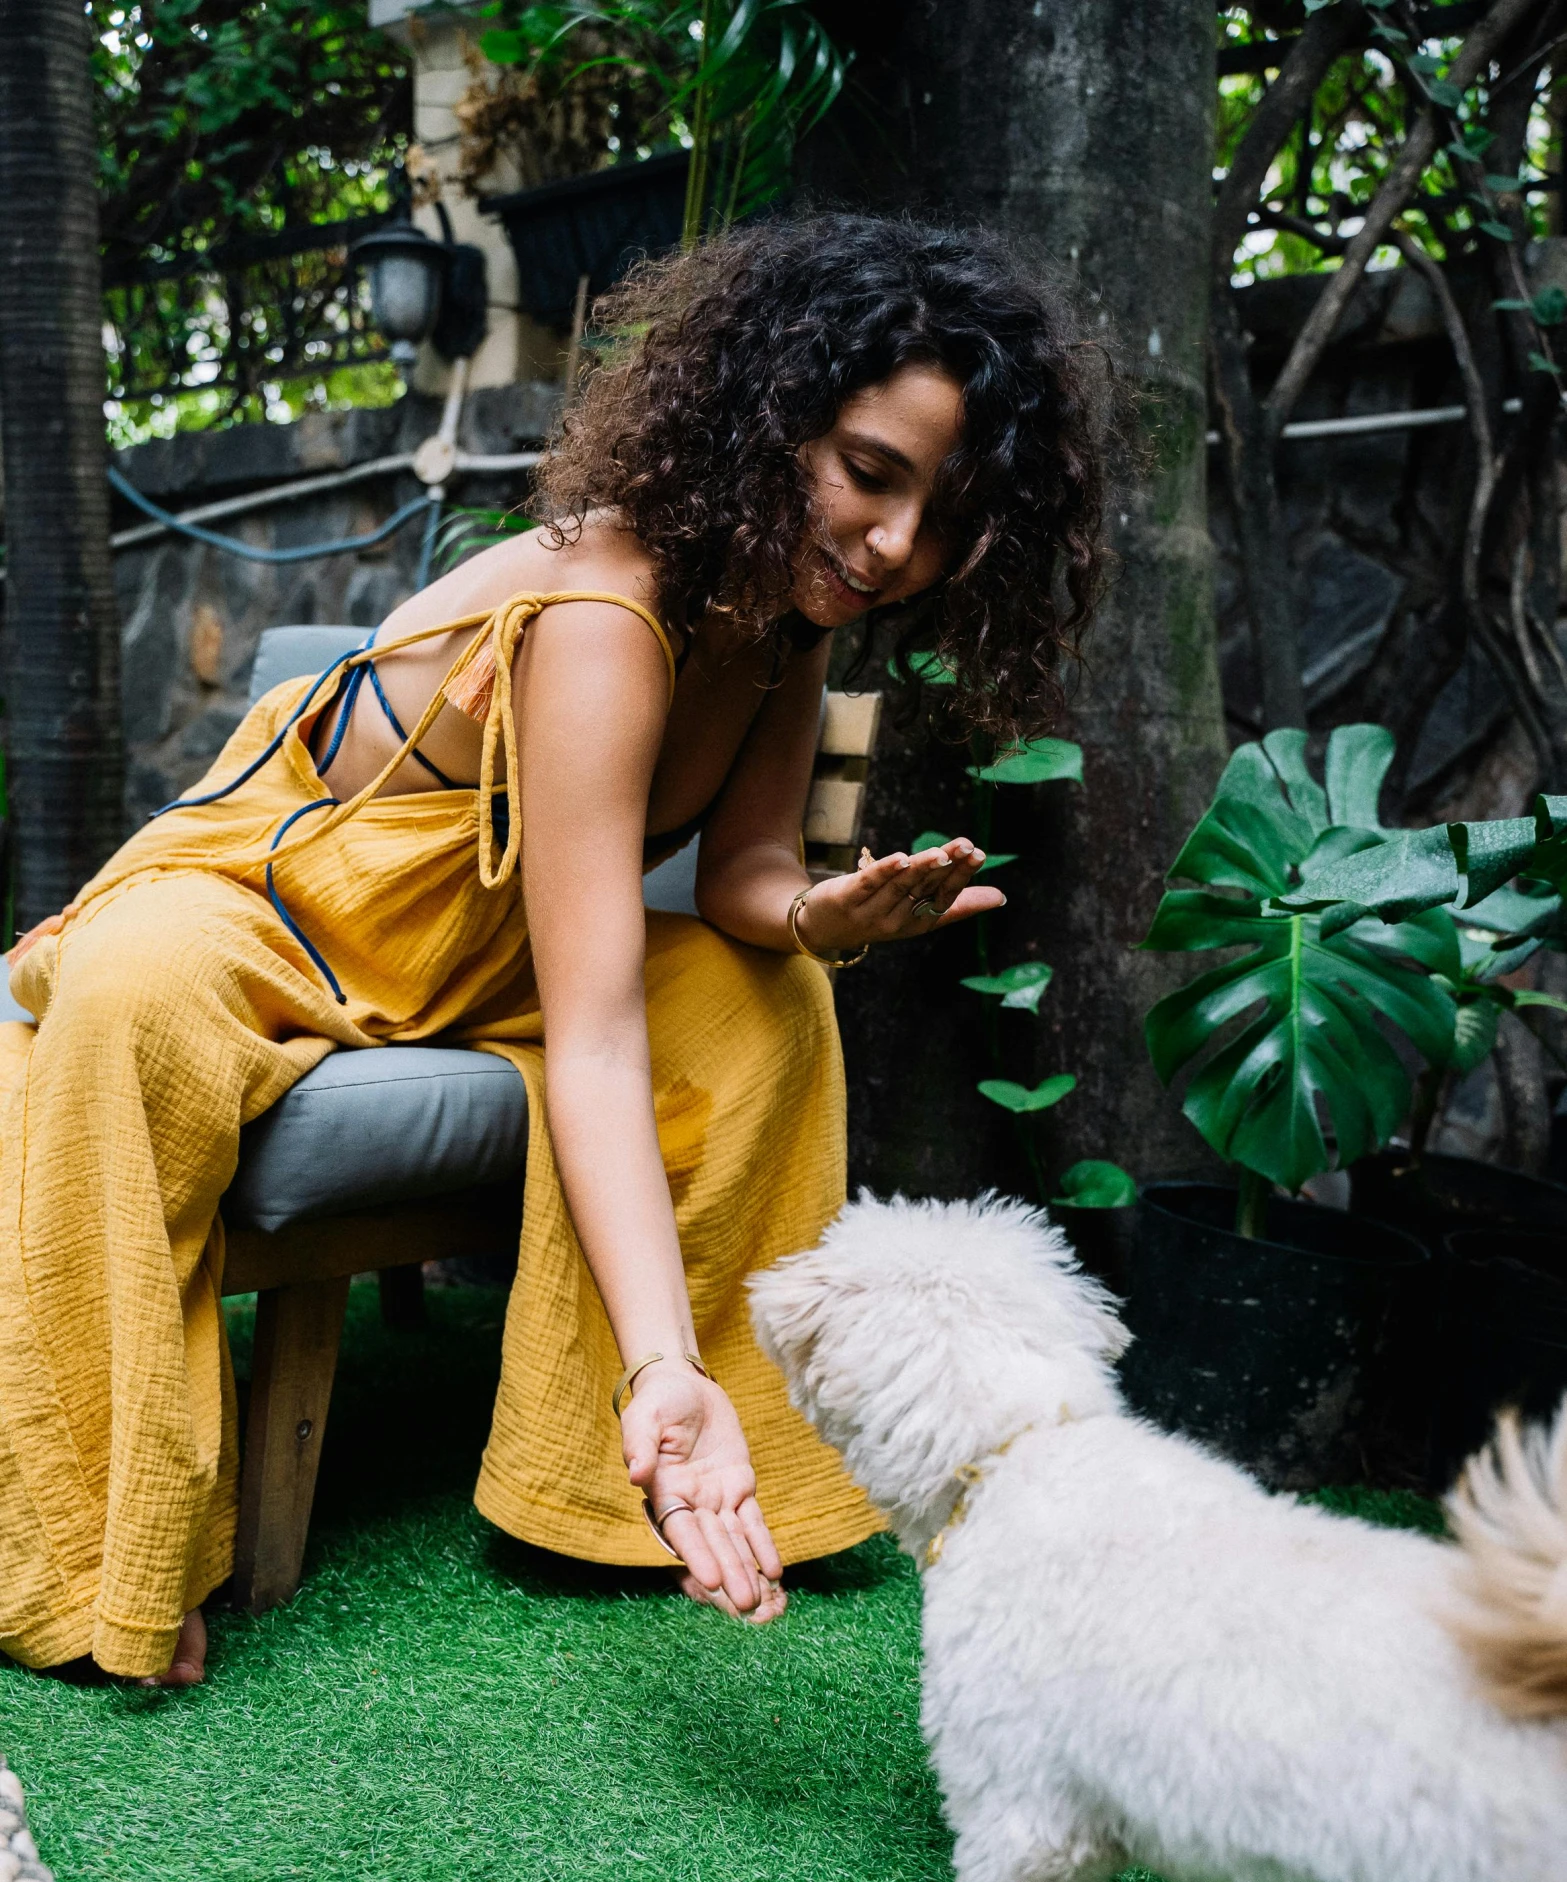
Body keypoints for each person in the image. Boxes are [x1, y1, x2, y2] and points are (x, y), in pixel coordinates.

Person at [0, 212, 1106, 1687]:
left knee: (759, 998)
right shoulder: (603, 610)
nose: (896, 543)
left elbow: (743, 872)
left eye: (941, 513)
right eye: (867, 473)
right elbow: (593, 1034)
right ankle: (87, 1555)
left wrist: (809, 916)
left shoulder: (782, 618)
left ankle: (621, 1483)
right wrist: (668, 1355)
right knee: (127, 1003)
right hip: (287, 907)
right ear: (769, 419)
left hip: (483, 938)